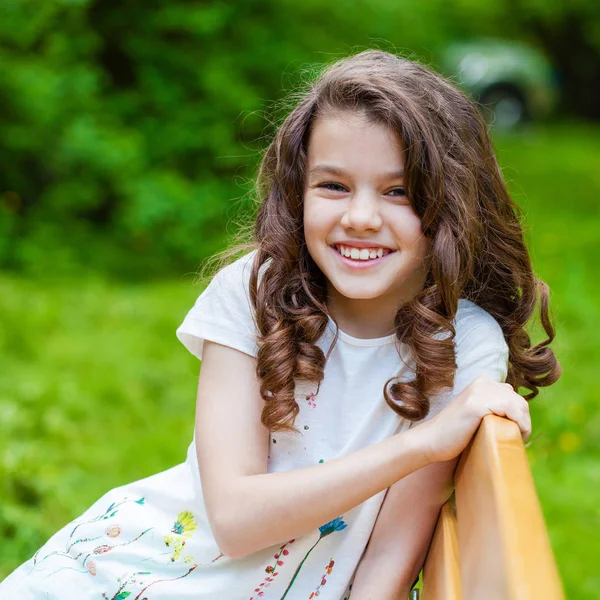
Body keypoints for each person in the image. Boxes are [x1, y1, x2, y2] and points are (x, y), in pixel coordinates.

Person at [0, 49, 560, 600]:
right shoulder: (253, 291)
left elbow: (387, 563)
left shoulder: (464, 343)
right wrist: (422, 446)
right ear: (297, 190)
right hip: (132, 575)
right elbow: (236, 519)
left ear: (451, 204)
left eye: (399, 192)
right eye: (333, 186)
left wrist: (430, 447)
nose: (359, 218)